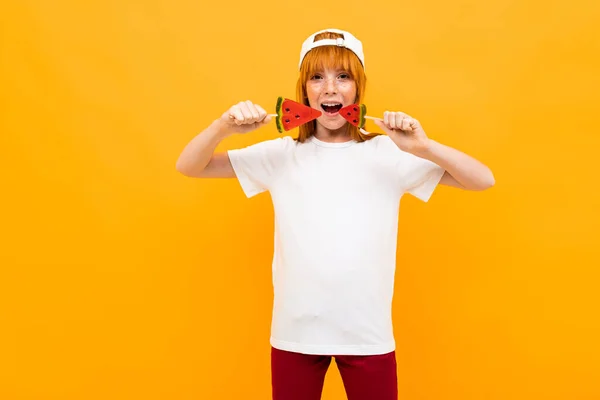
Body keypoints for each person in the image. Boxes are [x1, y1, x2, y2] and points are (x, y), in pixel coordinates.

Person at [176, 28, 495, 400]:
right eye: (317, 77)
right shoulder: (280, 154)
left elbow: (482, 180)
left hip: (367, 334)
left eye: (342, 76)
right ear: (304, 90)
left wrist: (423, 147)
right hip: (294, 332)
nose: (330, 88)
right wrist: (222, 127)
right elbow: (190, 166)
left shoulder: (389, 154)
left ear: (357, 87)